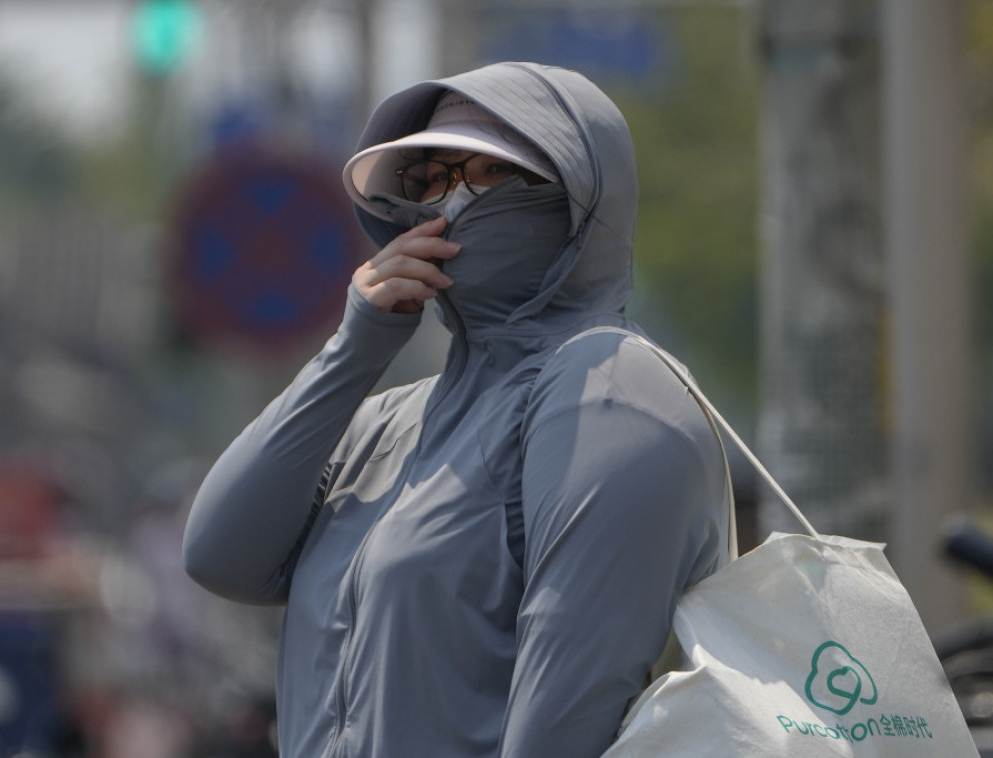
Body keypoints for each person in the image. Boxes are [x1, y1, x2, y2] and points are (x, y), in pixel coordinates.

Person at [183, 61, 731, 758]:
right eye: (432, 180)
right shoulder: (389, 422)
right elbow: (220, 556)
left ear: (581, 195)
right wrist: (353, 351)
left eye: (493, 174)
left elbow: (570, 714)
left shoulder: (609, 392)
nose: (453, 204)